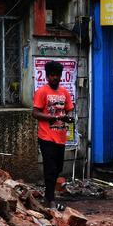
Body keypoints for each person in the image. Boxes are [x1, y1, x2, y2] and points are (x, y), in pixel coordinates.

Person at [32, 60, 74, 212]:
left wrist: (68, 118)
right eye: (52, 75)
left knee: (58, 168)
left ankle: (47, 195)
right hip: (46, 136)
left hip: (61, 136)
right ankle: (50, 200)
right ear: (47, 76)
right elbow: (35, 113)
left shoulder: (64, 92)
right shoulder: (42, 92)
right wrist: (53, 118)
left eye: (57, 75)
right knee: (50, 169)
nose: (55, 78)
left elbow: (69, 109)